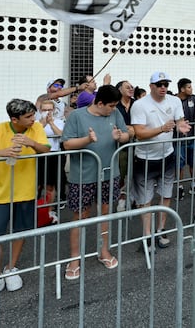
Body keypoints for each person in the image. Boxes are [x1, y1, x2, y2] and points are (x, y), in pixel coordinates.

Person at [0, 98, 50, 307]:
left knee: (21, 231)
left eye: (33, 115)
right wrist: (0, 152)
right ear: (15, 119)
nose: (33, 119)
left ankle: (11, 268)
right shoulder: (0, 130)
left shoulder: (37, 127)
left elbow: (46, 150)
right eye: (28, 117)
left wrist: (32, 143)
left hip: (26, 191)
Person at [61, 85, 129, 280]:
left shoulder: (115, 113)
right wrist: (86, 140)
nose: (114, 109)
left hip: (110, 172)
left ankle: (104, 251)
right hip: (82, 175)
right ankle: (75, 258)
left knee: (105, 213)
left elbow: (126, 134)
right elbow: (67, 143)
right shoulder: (77, 116)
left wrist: (120, 137)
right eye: (111, 105)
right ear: (99, 103)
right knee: (80, 215)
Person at [131, 72, 191, 247]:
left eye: (165, 84)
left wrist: (181, 127)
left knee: (166, 195)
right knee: (145, 199)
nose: (163, 87)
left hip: (168, 155)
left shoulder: (175, 101)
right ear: (151, 86)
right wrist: (162, 128)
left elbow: (179, 120)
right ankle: (147, 235)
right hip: (145, 158)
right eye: (159, 84)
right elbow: (140, 133)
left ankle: (161, 230)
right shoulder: (140, 105)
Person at [36, 100, 64, 207]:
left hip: (53, 154)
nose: (47, 112)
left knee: (50, 185)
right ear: (40, 110)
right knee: (37, 185)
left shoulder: (59, 122)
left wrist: (51, 123)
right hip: (39, 154)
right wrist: (42, 124)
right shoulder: (36, 123)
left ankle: (49, 209)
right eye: (44, 109)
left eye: (50, 109)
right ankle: (35, 209)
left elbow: (61, 135)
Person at [175, 78, 195, 199]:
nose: (191, 89)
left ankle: (194, 185)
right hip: (178, 139)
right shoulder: (174, 100)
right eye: (189, 87)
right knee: (179, 164)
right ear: (182, 89)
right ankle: (179, 187)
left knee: (194, 163)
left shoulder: (194, 98)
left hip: (193, 136)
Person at [114, 80, 136, 211]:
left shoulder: (137, 104)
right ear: (120, 90)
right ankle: (121, 198)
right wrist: (129, 128)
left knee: (137, 172)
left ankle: (133, 197)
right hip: (120, 145)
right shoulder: (115, 106)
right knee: (120, 173)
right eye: (127, 87)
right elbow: (114, 124)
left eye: (132, 87)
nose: (131, 89)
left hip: (137, 143)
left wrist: (132, 129)